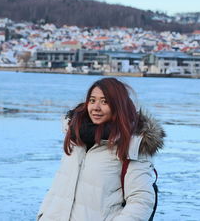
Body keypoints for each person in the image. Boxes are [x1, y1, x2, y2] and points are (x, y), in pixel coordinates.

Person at [37, 77, 165, 221]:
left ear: (118, 106)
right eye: (92, 100)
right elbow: (58, 188)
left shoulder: (132, 146)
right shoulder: (76, 136)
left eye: (105, 102)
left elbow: (141, 202)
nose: (96, 107)